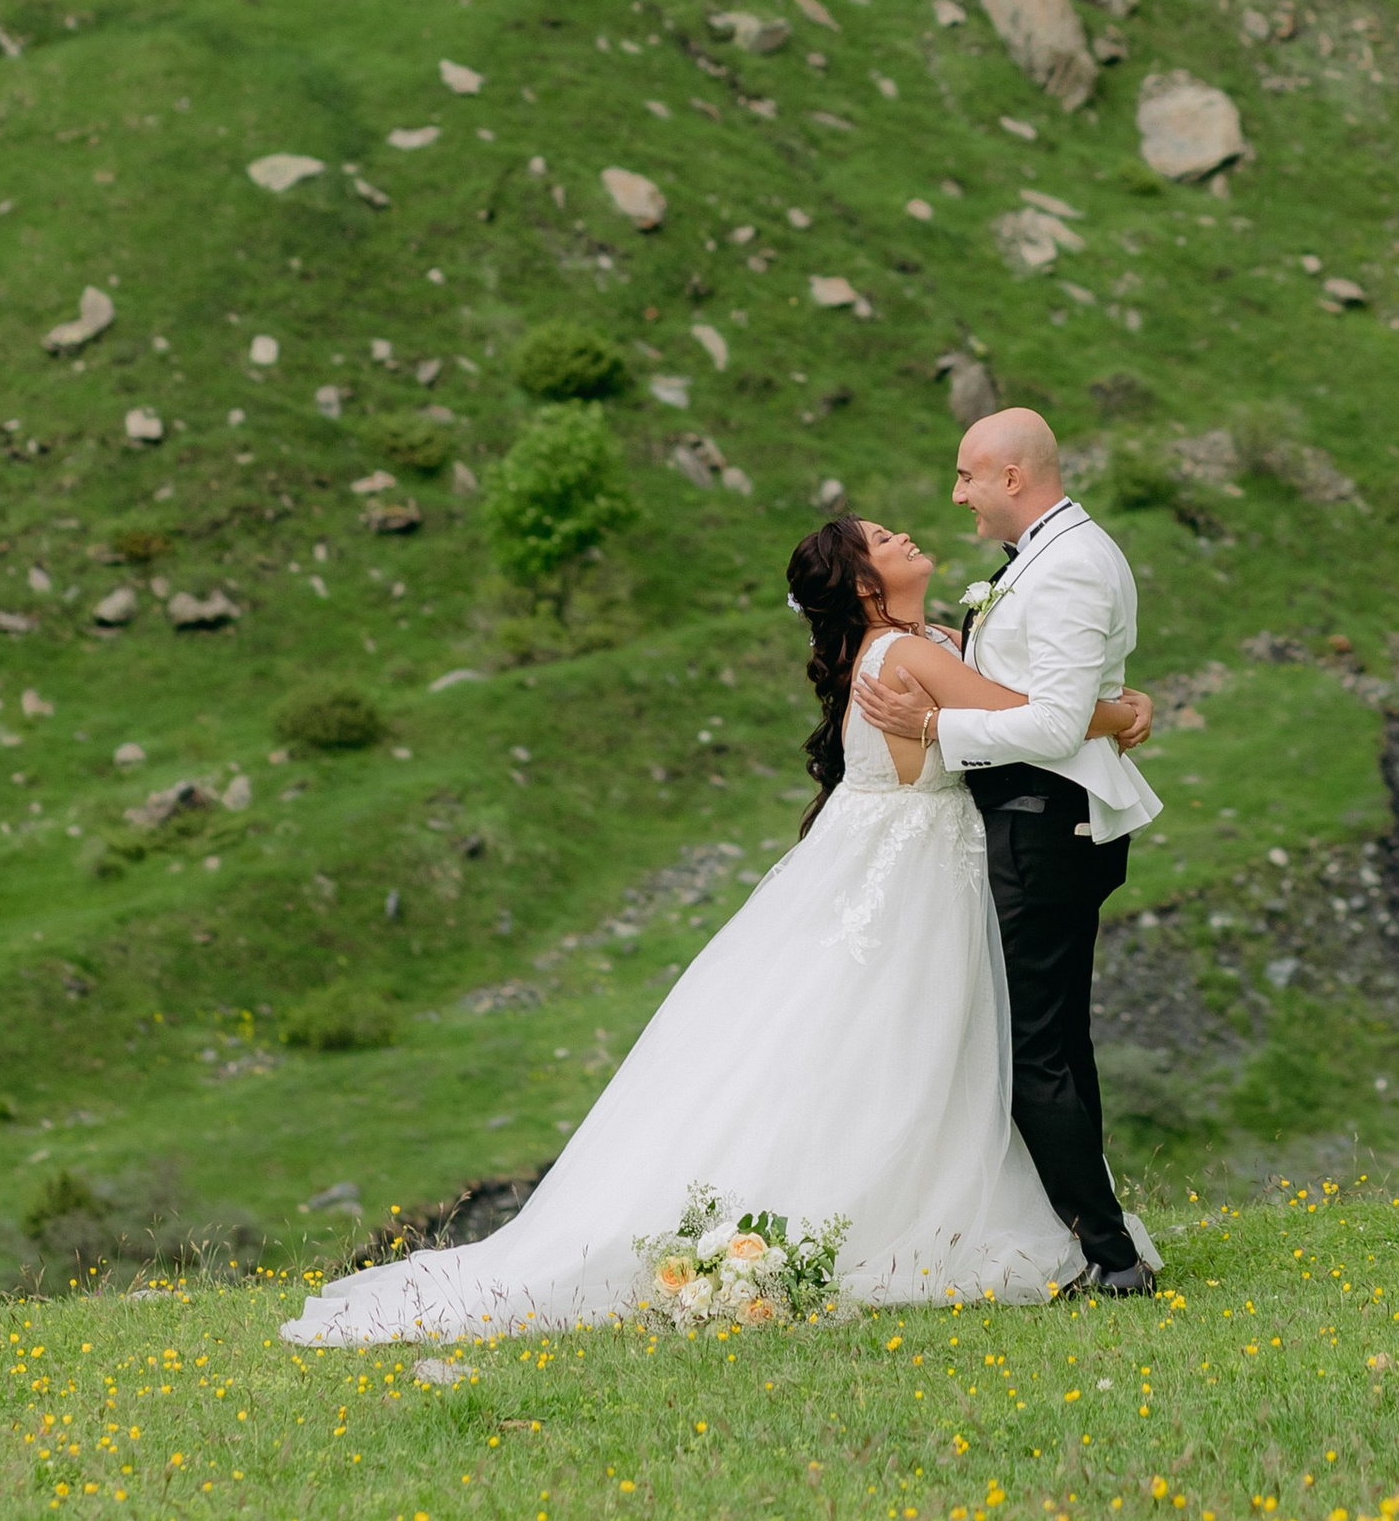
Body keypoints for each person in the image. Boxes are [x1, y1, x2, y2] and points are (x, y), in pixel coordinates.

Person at [276, 511, 1154, 1344]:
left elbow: (1006, 701)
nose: (908, 533)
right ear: (861, 583)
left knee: (907, 1051)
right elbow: (1025, 715)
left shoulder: (926, 645)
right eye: (884, 538)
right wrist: (1125, 710)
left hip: (913, 864)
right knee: (903, 1048)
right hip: (913, 873)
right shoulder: (904, 658)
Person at [853, 407, 1161, 1297]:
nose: (955, 496)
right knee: (1057, 1040)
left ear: (1012, 477)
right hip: (1041, 817)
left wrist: (936, 722)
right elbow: (1059, 696)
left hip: (1045, 821)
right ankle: (1100, 1242)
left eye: (965, 477)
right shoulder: (1048, 556)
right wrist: (1115, 706)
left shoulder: (1066, 566)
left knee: (1033, 1049)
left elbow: (1056, 719)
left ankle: (1107, 1255)